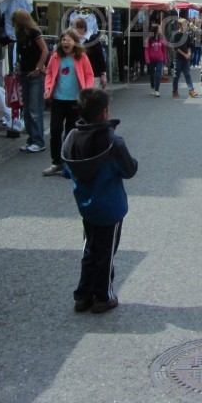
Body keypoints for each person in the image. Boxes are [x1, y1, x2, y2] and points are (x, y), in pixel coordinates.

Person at [61, 87, 137, 313]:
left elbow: (67, 170)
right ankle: (103, 296)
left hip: (85, 204)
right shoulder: (113, 142)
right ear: (105, 112)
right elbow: (129, 169)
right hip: (110, 206)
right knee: (106, 252)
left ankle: (83, 295)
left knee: (90, 249)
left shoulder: (72, 137)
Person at [42, 29, 95, 177]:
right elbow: (49, 73)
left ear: (75, 42)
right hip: (58, 99)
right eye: (63, 40)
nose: (66, 42)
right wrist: (47, 88)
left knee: (71, 132)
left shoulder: (81, 57)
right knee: (55, 130)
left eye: (69, 40)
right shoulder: (55, 57)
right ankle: (56, 162)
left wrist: (87, 91)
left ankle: (68, 163)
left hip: (74, 100)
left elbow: (89, 75)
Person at [11, 9, 50, 154]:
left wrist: (39, 68)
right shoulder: (20, 34)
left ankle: (38, 141)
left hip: (36, 75)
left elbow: (45, 50)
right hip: (25, 74)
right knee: (27, 110)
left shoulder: (34, 32)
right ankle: (31, 139)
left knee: (35, 109)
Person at [73, 16, 108, 90]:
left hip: (94, 75)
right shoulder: (73, 40)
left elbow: (101, 58)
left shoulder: (93, 40)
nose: (74, 30)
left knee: (91, 98)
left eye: (76, 28)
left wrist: (103, 74)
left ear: (83, 28)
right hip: (77, 75)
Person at [171, 18, 197, 99]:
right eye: (185, 25)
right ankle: (175, 91)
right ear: (180, 26)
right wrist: (185, 55)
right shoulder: (175, 35)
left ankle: (191, 90)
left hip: (186, 58)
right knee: (176, 76)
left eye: (186, 25)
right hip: (178, 58)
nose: (186, 26)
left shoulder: (187, 34)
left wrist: (188, 53)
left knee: (187, 74)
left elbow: (189, 45)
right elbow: (176, 48)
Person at [144, 23, 167, 97]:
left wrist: (165, 59)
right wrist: (147, 59)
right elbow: (146, 50)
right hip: (151, 60)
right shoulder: (149, 39)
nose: (160, 30)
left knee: (157, 74)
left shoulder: (161, 39)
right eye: (159, 28)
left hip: (159, 59)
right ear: (155, 30)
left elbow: (164, 50)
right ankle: (153, 88)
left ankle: (157, 90)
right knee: (152, 75)